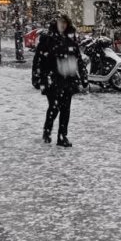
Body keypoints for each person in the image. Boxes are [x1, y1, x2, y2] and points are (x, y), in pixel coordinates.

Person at [32, 14, 88, 147]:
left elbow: (78, 59)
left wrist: (84, 77)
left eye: (65, 22)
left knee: (65, 109)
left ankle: (62, 136)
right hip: (52, 79)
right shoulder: (47, 39)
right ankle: (47, 131)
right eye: (60, 22)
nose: (63, 25)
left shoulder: (71, 40)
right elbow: (38, 60)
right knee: (54, 106)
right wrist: (37, 78)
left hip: (68, 79)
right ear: (55, 23)